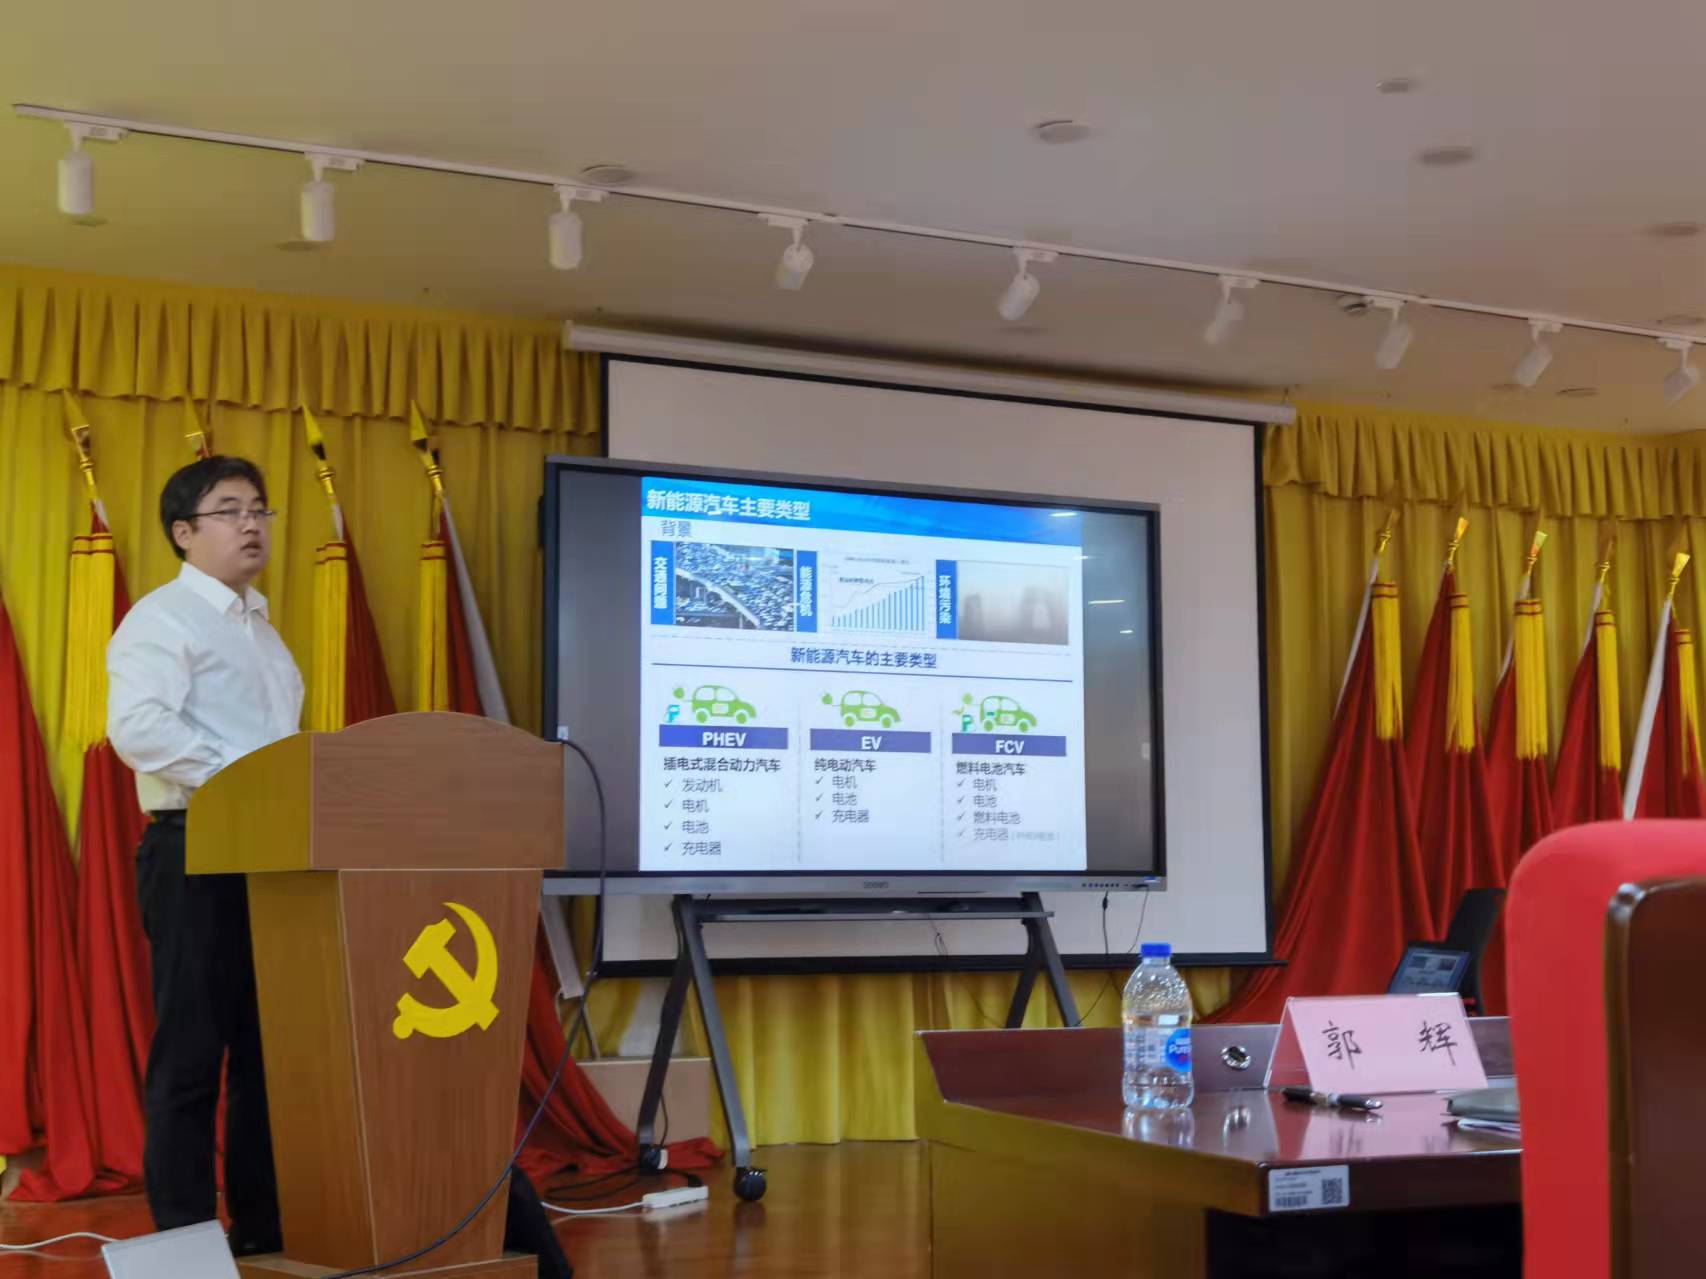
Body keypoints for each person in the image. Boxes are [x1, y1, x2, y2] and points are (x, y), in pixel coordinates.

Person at [108, 455, 298, 1254]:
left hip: (273, 856)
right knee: (191, 1055)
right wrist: (244, 779)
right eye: (230, 510)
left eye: (259, 508)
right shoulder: (162, 619)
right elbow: (139, 727)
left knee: (266, 1055)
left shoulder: (266, 632)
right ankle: (186, 1250)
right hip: (195, 849)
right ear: (183, 532)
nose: (251, 523)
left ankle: (264, 1234)